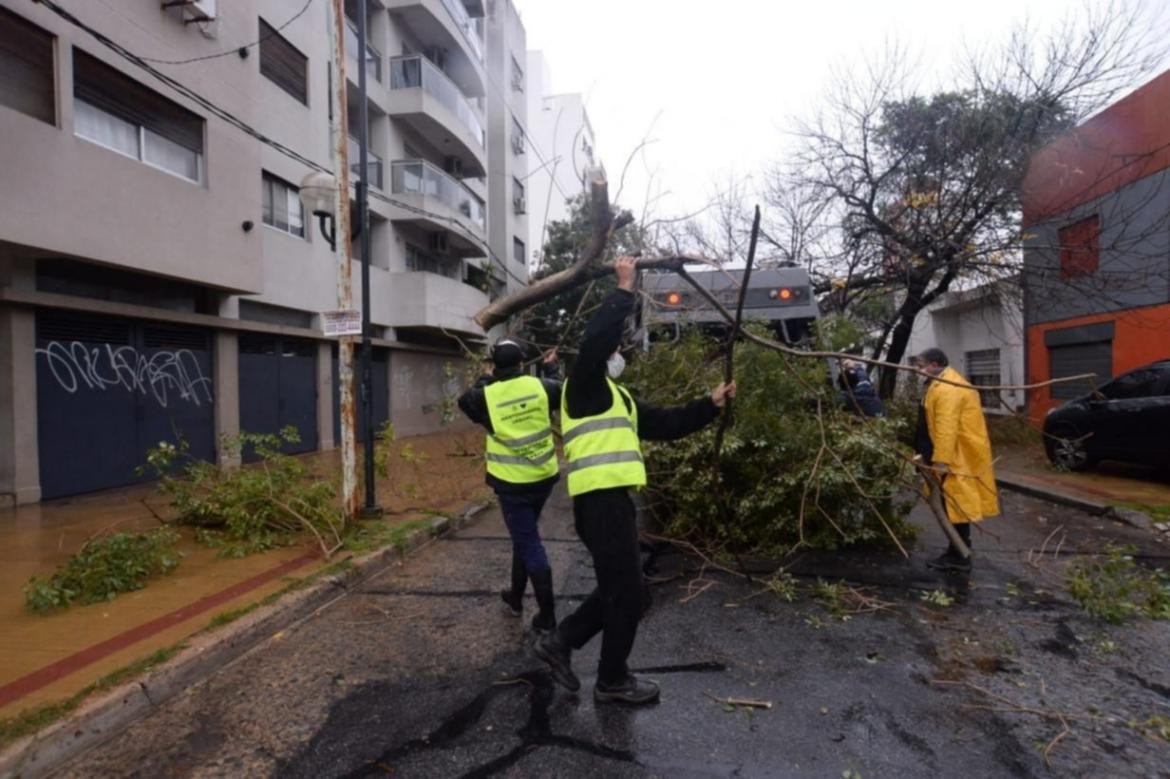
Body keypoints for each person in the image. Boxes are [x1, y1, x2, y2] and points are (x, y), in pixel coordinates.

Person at [535, 255, 737, 705]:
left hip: (613, 503)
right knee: (628, 593)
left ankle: (562, 643)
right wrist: (625, 289)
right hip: (599, 502)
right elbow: (594, 342)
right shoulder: (583, 384)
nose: (619, 355)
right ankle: (610, 679)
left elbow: (665, 423)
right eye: (617, 350)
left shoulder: (617, 397)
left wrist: (710, 404)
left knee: (626, 592)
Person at [458, 340, 562, 633]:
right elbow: (561, 390)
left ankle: (548, 616)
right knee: (524, 537)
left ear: (495, 364)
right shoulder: (540, 387)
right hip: (543, 478)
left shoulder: (486, 396)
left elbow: (466, 400)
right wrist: (551, 366)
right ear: (521, 363)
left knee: (528, 542)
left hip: (513, 484)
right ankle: (515, 598)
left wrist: (485, 376)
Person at [913, 347, 1000, 572]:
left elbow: (946, 428)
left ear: (934, 364)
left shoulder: (948, 388)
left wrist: (940, 461)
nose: (918, 370)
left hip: (952, 458)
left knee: (954, 506)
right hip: (948, 455)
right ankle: (956, 551)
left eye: (921, 365)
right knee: (952, 504)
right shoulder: (939, 384)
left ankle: (959, 555)